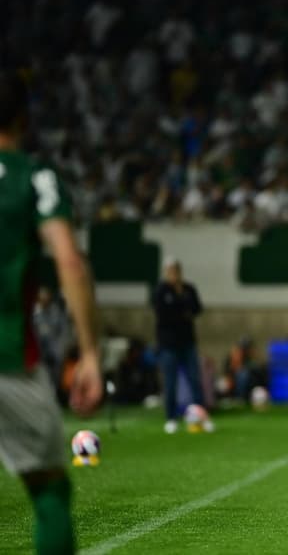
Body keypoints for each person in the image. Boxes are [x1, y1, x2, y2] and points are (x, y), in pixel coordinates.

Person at [0, 70, 102, 554]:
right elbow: (69, 261)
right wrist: (90, 353)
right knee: (48, 492)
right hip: (9, 356)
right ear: (24, 118)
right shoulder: (33, 177)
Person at [152, 257, 212, 433]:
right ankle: (171, 418)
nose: (173, 274)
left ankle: (201, 417)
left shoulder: (188, 289)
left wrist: (180, 310)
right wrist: (182, 312)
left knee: (195, 380)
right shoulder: (161, 291)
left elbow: (197, 309)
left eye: (176, 270)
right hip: (168, 345)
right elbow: (164, 314)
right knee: (171, 383)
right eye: (170, 270)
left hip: (188, 342)